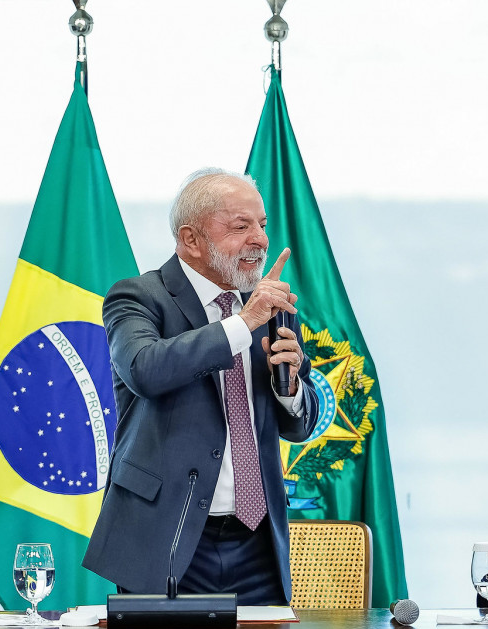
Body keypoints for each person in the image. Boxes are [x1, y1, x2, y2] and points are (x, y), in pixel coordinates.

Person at [82, 168, 321, 605]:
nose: (260, 240)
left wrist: (289, 389)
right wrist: (243, 324)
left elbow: (299, 425)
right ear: (191, 239)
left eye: (262, 225)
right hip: (165, 536)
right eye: (241, 226)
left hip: (259, 543)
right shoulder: (138, 296)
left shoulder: (271, 305)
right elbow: (145, 369)